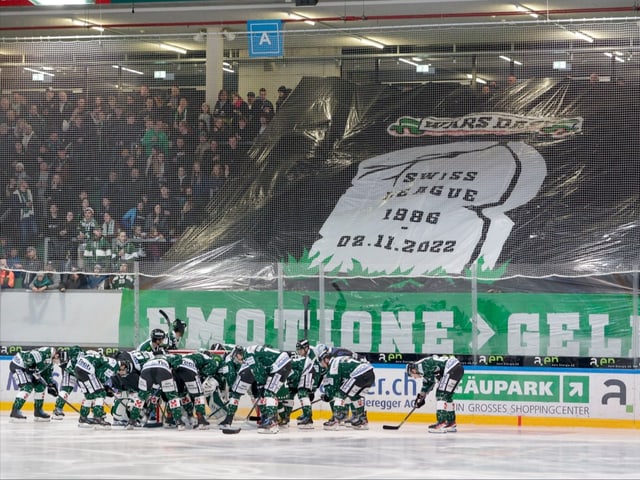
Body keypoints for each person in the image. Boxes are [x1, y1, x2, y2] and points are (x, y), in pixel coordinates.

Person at [219, 344, 292, 434]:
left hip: (280, 365)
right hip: (283, 364)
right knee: (269, 392)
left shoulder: (248, 354)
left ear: (238, 354)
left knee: (268, 392)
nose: (238, 360)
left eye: (237, 357)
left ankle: (271, 423)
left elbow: (258, 371)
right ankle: (270, 420)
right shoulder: (250, 351)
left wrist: (260, 384)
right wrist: (260, 384)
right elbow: (260, 369)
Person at [317, 348, 375, 431]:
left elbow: (333, 388)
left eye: (321, 362)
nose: (322, 365)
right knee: (356, 396)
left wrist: (327, 397)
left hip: (360, 373)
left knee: (340, 394)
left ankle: (336, 419)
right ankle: (362, 420)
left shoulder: (333, 364)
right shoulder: (339, 360)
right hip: (370, 373)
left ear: (326, 359)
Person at [406, 354, 465, 433]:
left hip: (452, 369)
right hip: (457, 369)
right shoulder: (422, 366)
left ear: (413, 370)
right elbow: (429, 381)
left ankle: (441, 423)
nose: (415, 377)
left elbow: (430, 382)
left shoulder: (422, 366)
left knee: (440, 394)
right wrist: (421, 396)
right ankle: (451, 423)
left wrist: (422, 396)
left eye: (413, 375)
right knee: (447, 396)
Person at [9, 346, 59, 422]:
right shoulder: (45, 353)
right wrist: (31, 368)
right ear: (56, 355)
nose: (59, 361)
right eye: (59, 359)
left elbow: (46, 375)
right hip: (19, 365)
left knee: (41, 386)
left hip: (28, 370)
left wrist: (51, 385)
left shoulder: (50, 363)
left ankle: (38, 412)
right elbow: (28, 358)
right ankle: (15, 412)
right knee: (27, 387)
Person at [73, 349, 117, 428]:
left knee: (89, 395)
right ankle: (98, 418)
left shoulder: (95, 356)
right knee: (100, 393)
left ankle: (83, 418)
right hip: (87, 370)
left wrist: (102, 385)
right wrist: (103, 387)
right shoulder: (113, 363)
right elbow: (100, 376)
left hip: (77, 368)